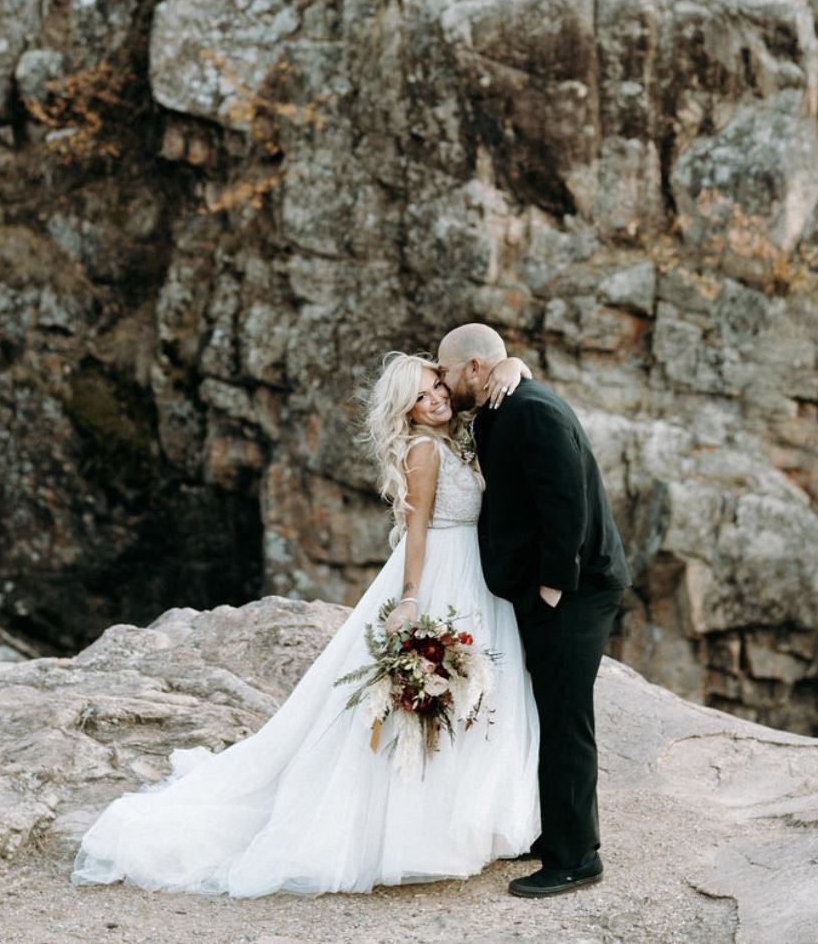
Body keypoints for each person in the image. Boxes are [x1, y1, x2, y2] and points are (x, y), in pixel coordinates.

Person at [71, 350, 540, 897]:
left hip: (473, 575)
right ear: (405, 411)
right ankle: (417, 831)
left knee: (477, 698)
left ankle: (469, 821)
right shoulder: (422, 451)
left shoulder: (456, 433)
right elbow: (417, 533)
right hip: (442, 575)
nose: (435, 398)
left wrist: (514, 366)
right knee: (433, 695)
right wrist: (411, 598)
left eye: (436, 386)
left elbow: (493, 373)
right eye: (420, 397)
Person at [437, 322, 630, 900]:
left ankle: (575, 859)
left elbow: (566, 499)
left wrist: (552, 584)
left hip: (575, 591)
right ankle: (559, 833)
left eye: (447, 371)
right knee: (548, 711)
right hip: (556, 589)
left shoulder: (531, 410)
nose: (443, 382)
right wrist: (515, 363)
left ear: (474, 368)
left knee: (567, 717)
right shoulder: (507, 400)